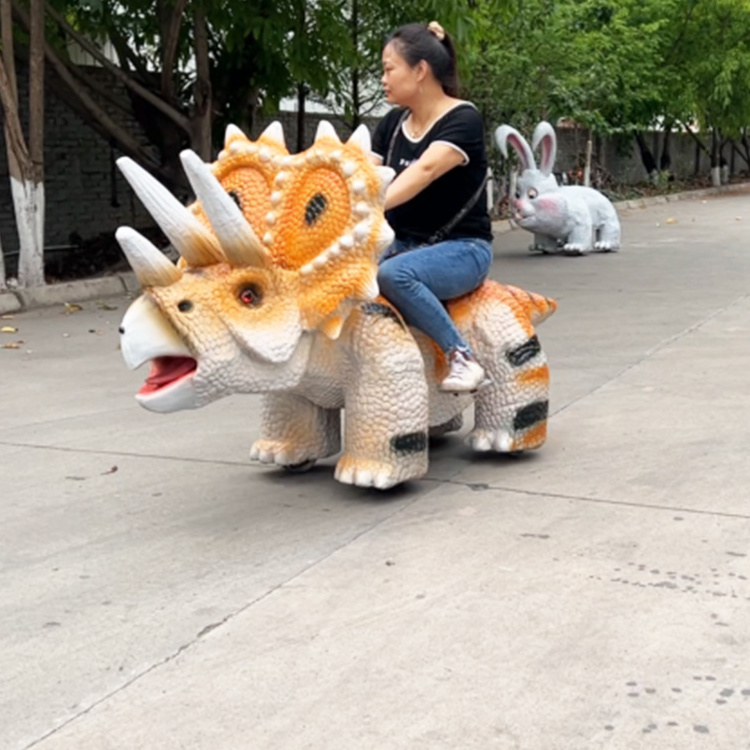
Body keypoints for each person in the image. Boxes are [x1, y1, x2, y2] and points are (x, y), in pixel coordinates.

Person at [372, 21, 494, 392]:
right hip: (400, 243)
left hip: (462, 249)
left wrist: (362, 206)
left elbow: (423, 171)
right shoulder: (392, 124)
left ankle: (462, 355)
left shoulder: (463, 119)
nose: (383, 79)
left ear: (420, 70)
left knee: (393, 276)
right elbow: (363, 174)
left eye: (389, 69)